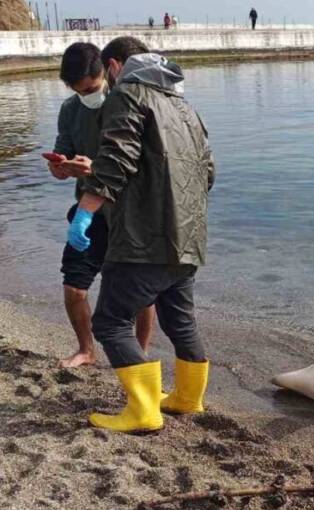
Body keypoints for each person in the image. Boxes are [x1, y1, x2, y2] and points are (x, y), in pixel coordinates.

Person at [70, 36, 215, 433]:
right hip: (188, 239)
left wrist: (84, 214)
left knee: (112, 321)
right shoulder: (183, 105)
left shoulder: (128, 95)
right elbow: (209, 172)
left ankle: (144, 410)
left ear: (114, 66)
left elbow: (116, 159)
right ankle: (188, 399)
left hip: (141, 240)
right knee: (180, 320)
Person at [48, 42, 155, 369]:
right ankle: (86, 350)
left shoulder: (125, 105)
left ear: (107, 71)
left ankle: (140, 353)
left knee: (140, 293)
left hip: (127, 212)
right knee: (74, 285)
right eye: (80, 91)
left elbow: (142, 165)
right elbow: (63, 158)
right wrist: (60, 168)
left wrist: (94, 167)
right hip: (87, 210)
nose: (88, 95)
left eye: (92, 88)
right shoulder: (70, 110)